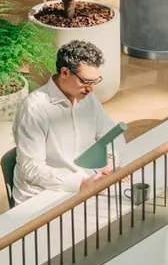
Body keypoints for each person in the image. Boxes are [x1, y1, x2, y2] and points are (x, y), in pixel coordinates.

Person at [11, 40, 118, 203]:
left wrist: (109, 159)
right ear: (65, 72)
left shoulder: (88, 97)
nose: (91, 89)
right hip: (42, 196)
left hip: (84, 184)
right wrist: (80, 183)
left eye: (95, 82)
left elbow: (110, 133)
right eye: (86, 81)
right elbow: (31, 169)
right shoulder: (34, 109)